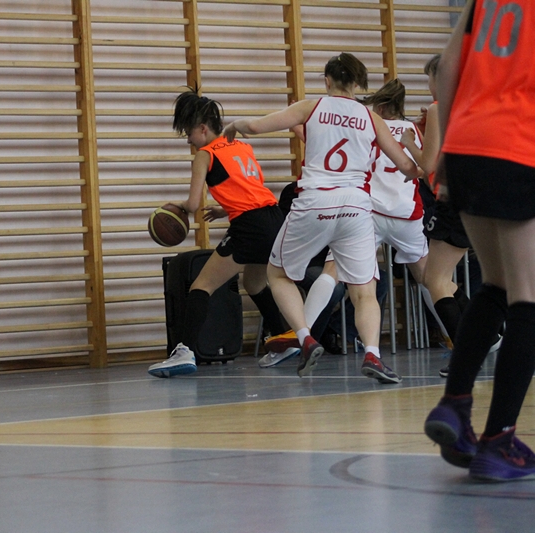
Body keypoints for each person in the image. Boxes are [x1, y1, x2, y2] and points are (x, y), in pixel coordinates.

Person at [223, 52, 420, 384]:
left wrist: (234, 126)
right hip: (357, 207)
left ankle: (305, 338)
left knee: (277, 274)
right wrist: (420, 157)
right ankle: (373, 354)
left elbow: (256, 126)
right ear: (357, 83)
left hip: (316, 201)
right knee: (365, 290)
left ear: (327, 80)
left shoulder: (311, 107)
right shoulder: (372, 118)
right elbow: (408, 168)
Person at [423, 0, 535, 482]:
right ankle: (499, 439)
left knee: (496, 283)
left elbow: (450, 64)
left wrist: (448, 144)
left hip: (467, 140)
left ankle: (454, 403)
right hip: (519, 145)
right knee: (528, 297)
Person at [148, 89, 286, 378]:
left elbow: (193, 204)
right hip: (274, 220)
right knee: (254, 283)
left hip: (249, 227)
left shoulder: (204, 155)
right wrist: (226, 209)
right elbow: (250, 189)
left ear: (202, 128)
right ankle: (283, 340)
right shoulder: (241, 146)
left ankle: (184, 351)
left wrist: (175, 208)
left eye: (188, 133)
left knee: (201, 286)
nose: (188, 140)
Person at [400, 55, 496, 378]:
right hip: (480, 198)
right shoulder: (475, 106)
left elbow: (428, 165)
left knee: (435, 280)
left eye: (429, 78)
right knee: (440, 276)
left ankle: (466, 356)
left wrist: (409, 143)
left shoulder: (440, 107)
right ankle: (488, 337)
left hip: (452, 198)